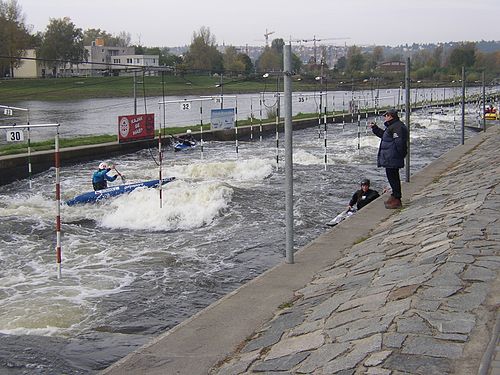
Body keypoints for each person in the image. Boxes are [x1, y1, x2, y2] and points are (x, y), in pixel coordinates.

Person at [369, 108, 408, 209]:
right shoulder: (392, 126)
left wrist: (400, 155)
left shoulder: (397, 127)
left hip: (393, 157)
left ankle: (397, 198)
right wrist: (375, 128)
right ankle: (395, 196)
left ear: (391, 116)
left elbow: (400, 143)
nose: (384, 118)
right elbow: (385, 136)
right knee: (392, 177)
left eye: (386, 116)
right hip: (390, 157)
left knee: (393, 178)